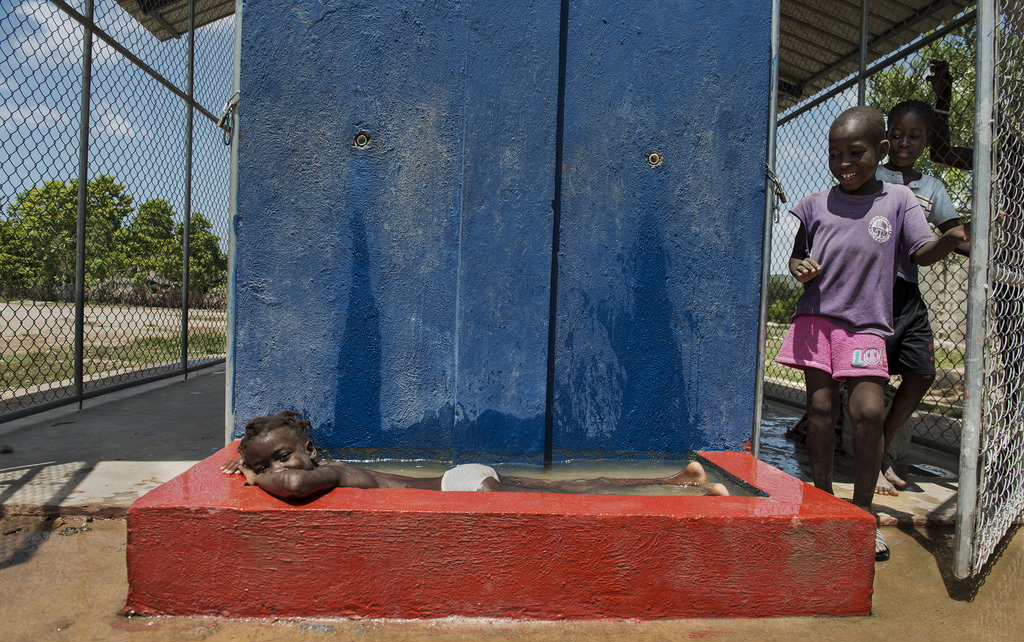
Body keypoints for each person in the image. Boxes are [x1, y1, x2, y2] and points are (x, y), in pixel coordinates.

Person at [775, 106, 968, 561]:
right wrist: (798, 266)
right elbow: (797, 255)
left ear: (880, 151)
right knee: (820, 411)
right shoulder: (814, 203)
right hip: (818, 321)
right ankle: (823, 500)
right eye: (835, 153)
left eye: (855, 153)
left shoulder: (898, 200)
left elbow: (921, 252)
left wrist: (952, 237)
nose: (844, 162)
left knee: (867, 414)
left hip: (868, 326)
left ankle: (863, 513)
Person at [221, 410, 730, 498]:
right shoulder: (327, 465)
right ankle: (678, 480)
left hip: (461, 486)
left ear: (309, 450)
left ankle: (688, 492)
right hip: (461, 476)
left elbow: (291, 487)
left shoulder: (325, 472)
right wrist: (255, 464)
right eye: (266, 463)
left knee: (561, 497)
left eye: (282, 456)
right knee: (562, 489)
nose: (278, 469)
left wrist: (248, 472)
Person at [874, 99, 969, 496]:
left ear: (926, 141)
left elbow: (956, 235)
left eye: (913, 136)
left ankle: (881, 450)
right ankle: (872, 463)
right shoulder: (872, 174)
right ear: (885, 138)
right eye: (896, 135)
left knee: (922, 372)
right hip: (871, 288)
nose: (903, 142)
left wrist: (983, 240)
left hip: (906, 289)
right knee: (871, 378)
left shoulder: (931, 188)